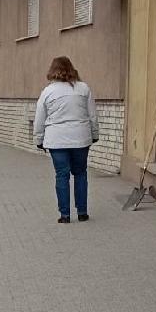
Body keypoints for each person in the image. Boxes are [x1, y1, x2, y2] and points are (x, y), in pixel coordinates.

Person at [33, 56, 99, 224]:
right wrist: (94, 134)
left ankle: (65, 215)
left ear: (52, 70)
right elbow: (92, 115)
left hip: (57, 140)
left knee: (61, 175)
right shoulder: (83, 88)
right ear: (71, 68)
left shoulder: (47, 91)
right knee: (81, 174)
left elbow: (40, 118)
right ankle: (82, 212)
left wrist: (38, 139)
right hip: (81, 139)